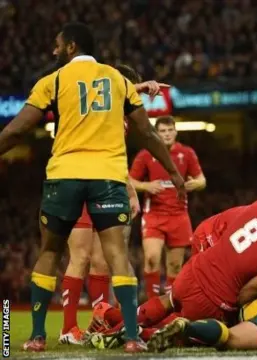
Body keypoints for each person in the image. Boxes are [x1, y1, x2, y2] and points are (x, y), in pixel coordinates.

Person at [0, 22, 185, 353]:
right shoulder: (117, 79)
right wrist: (174, 172)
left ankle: (38, 337)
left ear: (71, 47)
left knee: (50, 252)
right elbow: (147, 132)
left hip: (64, 176)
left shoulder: (53, 81)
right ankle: (130, 337)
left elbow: (17, 131)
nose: (53, 51)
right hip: (108, 177)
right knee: (117, 254)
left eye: (58, 45)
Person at [59, 65, 155, 345]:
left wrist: (131, 192)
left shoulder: (119, 118)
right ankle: (67, 328)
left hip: (106, 190)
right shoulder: (97, 106)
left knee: (101, 261)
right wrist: (138, 87)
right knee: (80, 257)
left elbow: (115, 159)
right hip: (77, 185)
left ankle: (97, 322)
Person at [132, 186, 257, 330]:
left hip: (193, 271)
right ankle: (146, 333)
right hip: (213, 300)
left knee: (170, 301)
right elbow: (247, 292)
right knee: (195, 330)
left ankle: (119, 322)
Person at [129, 116, 205, 300]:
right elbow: (129, 181)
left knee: (175, 266)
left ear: (176, 131)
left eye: (170, 130)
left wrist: (194, 184)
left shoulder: (186, 153)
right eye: (162, 131)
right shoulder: (146, 154)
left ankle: (170, 309)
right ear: (157, 133)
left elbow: (202, 180)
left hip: (179, 215)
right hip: (154, 214)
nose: (167, 134)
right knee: (152, 259)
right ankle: (152, 304)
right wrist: (146, 186)